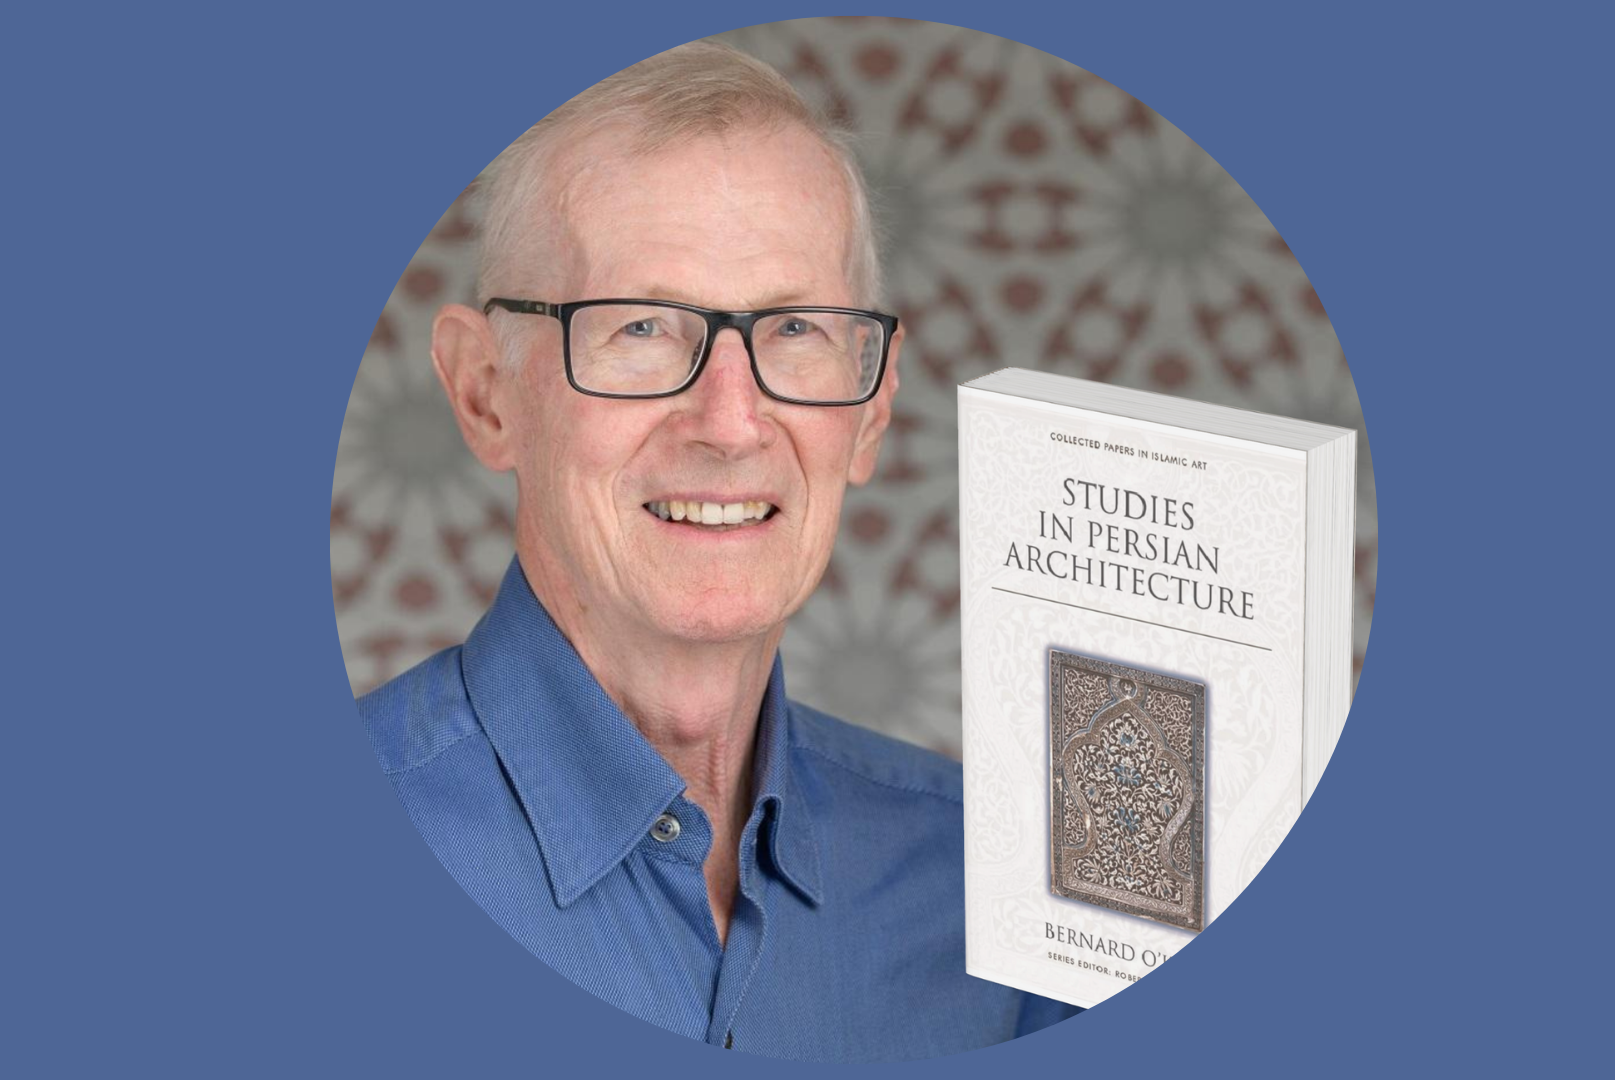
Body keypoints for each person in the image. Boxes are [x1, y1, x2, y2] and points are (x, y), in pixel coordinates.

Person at [357, 41, 1077, 1060]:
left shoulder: (1000, 892)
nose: (731, 422)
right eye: (642, 327)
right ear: (485, 393)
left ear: (871, 411)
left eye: (795, 331)